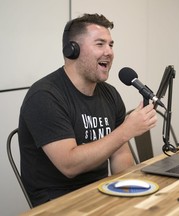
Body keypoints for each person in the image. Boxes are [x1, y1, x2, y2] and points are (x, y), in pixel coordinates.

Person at [18, 13, 157, 207]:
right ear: (72, 50)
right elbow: (69, 165)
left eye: (111, 45)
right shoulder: (44, 96)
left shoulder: (110, 94)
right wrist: (126, 130)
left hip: (102, 192)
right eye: (100, 44)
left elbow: (120, 157)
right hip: (58, 203)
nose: (109, 52)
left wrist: (133, 194)